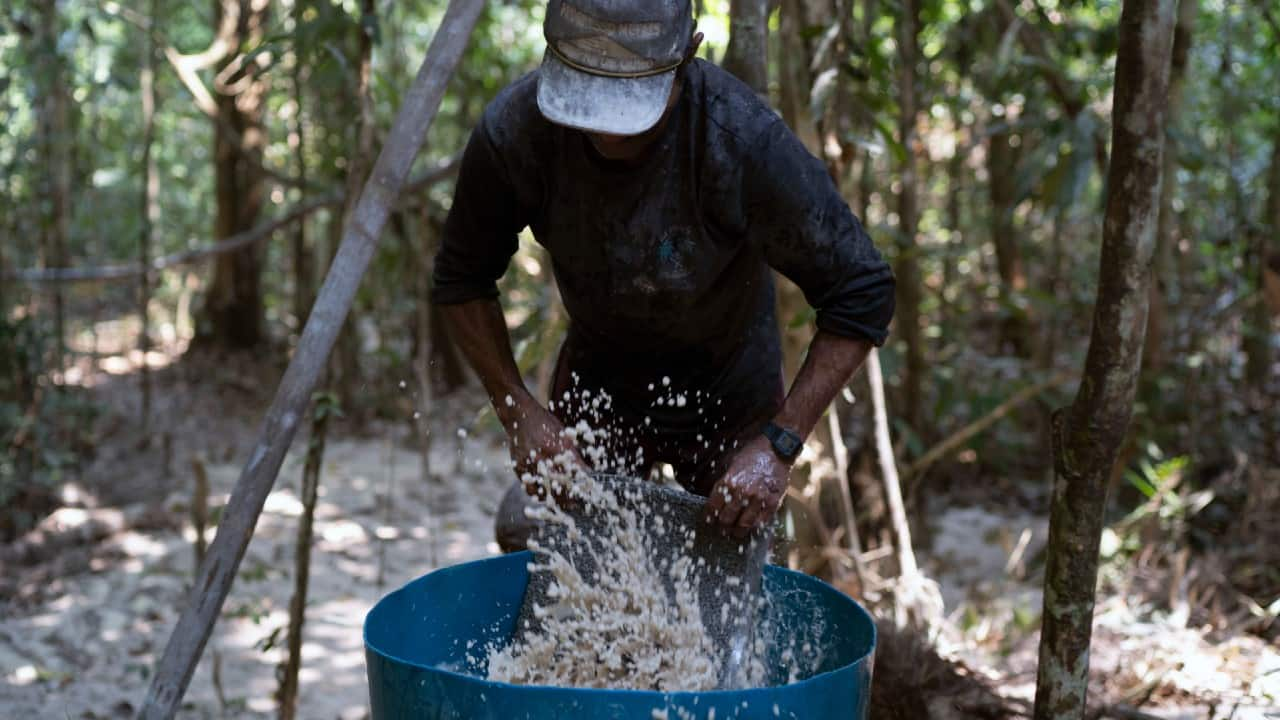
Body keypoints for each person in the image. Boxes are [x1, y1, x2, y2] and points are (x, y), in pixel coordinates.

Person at [432, 0, 895, 549]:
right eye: (588, 106)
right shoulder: (516, 133)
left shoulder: (740, 139)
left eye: (627, 114)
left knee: (735, 562)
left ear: (687, 56)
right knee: (535, 531)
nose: (606, 133)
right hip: (599, 383)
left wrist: (778, 445)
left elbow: (863, 291)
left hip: (729, 389)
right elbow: (462, 279)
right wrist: (519, 412)